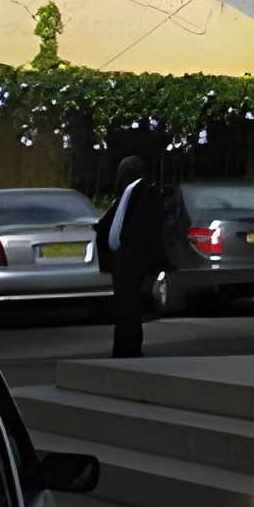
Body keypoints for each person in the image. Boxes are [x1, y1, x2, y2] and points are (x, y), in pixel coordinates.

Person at [94, 153, 166, 359]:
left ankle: (128, 349)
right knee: (126, 307)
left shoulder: (139, 194)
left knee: (129, 308)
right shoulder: (129, 195)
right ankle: (125, 347)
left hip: (132, 261)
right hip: (125, 260)